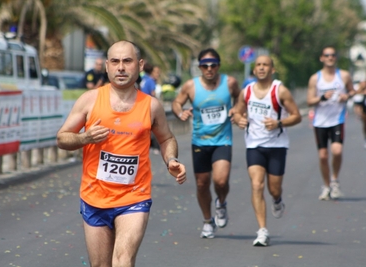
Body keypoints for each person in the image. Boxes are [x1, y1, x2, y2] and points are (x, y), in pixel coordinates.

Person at [56, 40, 187, 267]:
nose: (121, 67)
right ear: (106, 66)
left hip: (134, 198)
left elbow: (166, 138)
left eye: (127, 61)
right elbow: (62, 138)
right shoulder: (90, 100)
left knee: (123, 260)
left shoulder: (151, 106)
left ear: (140, 65)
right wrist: (85, 138)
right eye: (115, 61)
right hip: (94, 197)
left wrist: (171, 160)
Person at [230, 55, 301, 247]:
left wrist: (279, 122)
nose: (261, 68)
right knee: (256, 185)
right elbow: (237, 111)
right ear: (254, 70)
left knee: (274, 188)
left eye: (265, 65)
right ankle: (262, 231)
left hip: (277, 146)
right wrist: (239, 119)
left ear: (272, 70)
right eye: (258, 65)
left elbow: (297, 116)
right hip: (254, 145)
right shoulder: (246, 91)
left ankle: (277, 199)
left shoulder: (280, 91)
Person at [172, 48, 241, 238]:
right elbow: (177, 103)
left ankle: (221, 202)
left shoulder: (230, 82)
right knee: (202, 184)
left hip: (223, 139)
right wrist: (181, 113)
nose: (209, 69)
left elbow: (241, 97)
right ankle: (207, 221)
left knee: (220, 180)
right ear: (200, 67)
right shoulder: (190, 86)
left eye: (213, 65)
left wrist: (237, 109)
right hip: (200, 141)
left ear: (218, 66)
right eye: (204, 66)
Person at [307, 46, 355, 201]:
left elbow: (352, 91)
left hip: (337, 120)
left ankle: (334, 180)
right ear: (321, 58)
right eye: (327, 55)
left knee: (337, 151)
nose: (330, 58)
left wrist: (345, 96)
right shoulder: (315, 78)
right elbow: (309, 100)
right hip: (320, 121)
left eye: (333, 55)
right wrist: (322, 98)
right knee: (323, 156)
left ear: (336, 58)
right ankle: (326, 185)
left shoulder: (344, 75)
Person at [140, 63, 161, 154]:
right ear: (152, 72)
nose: (157, 74)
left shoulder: (143, 78)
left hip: (141, 104)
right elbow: (153, 93)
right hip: (148, 105)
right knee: (153, 127)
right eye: (156, 72)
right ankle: (154, 146)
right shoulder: (150, 80)